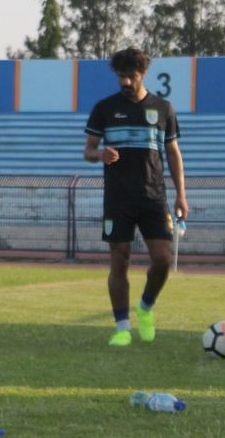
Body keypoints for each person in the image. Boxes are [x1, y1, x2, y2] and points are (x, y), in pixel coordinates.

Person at [83, 47, 187, 347]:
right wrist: (99, 154)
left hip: (154, 196)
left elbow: (173, 152)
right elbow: (88, 150)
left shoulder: (163, 109)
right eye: (121, 77)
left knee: (163, 259)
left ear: (143, 74)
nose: (126, 82)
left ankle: (145, 306)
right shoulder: (105, 108)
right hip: (118, 197)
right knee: (120, 259)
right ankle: (122, 327)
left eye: (132, 76)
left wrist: (181, 195)